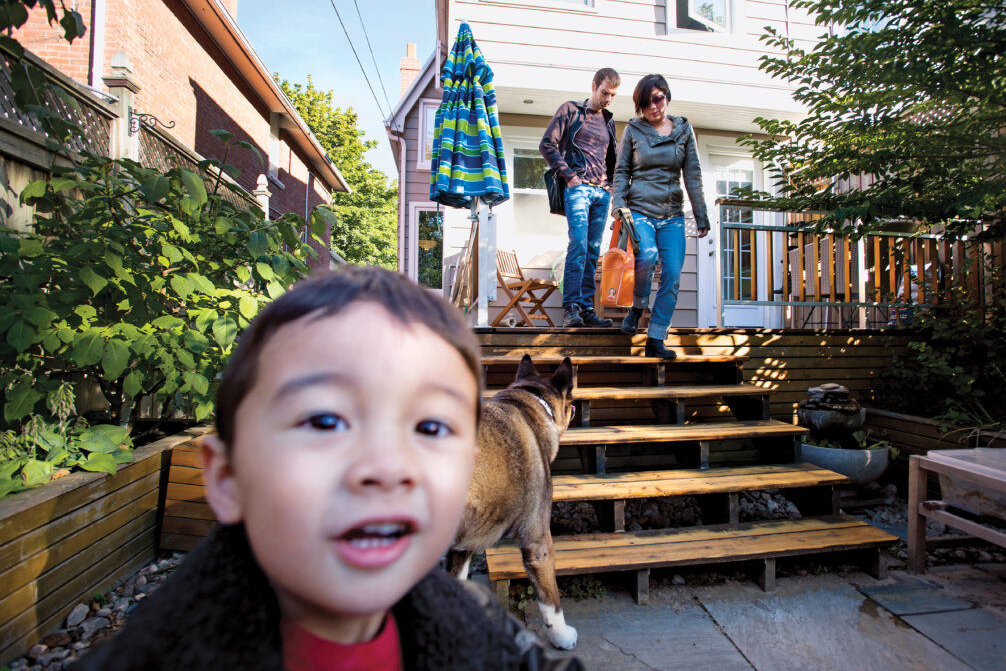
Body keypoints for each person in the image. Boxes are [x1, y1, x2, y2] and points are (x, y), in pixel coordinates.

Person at [72, 267, 582, 671]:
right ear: (229, 481)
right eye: (324, 420)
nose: (387, 467)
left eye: (429, 429)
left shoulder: (481, 632)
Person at [612, 74, 711, 359]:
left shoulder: (683, 130)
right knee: (648, 255)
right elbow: (622, 171)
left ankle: (656, 337)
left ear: (666, 96)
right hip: (640, 210)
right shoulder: (633, 130)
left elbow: (692, 173)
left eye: (657, 99)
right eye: (646, 103)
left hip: (672, 215)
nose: (653, 107)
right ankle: (637, 306)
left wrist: (701, 216)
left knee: (673, 275)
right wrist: (618, 204)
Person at [540, 67, 620, 328]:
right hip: (579, 187)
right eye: (605, 93)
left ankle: (586, 309)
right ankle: (570, 308)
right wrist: (569, 176)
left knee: (593, 251)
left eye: (613, 96)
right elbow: (547, 145)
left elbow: (613, 159)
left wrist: (611, 186)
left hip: (601, 193)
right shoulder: (571, 110)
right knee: (578, 246)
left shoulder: (609, 121)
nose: (608, 99)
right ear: (594, 85)